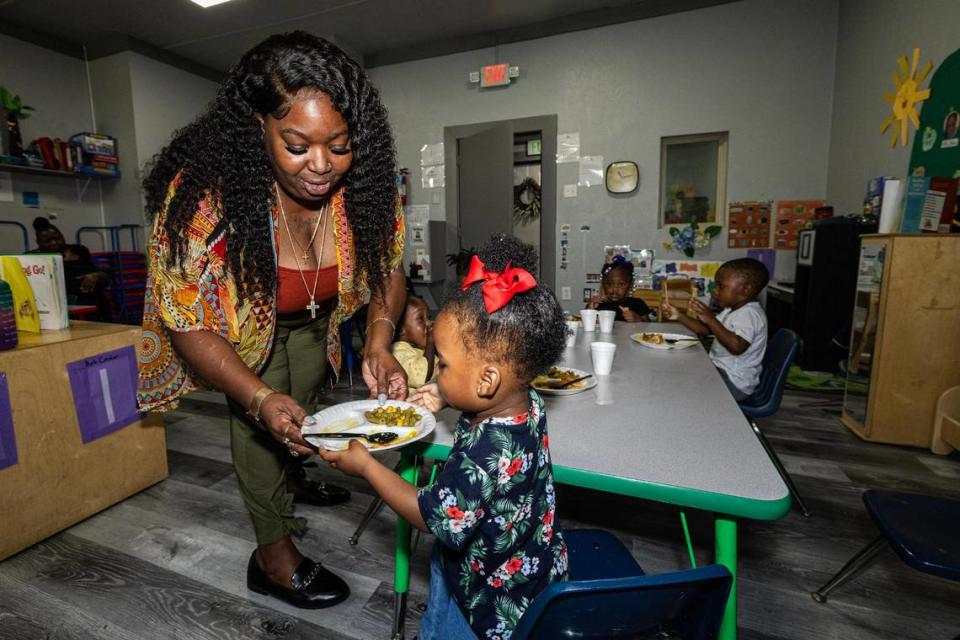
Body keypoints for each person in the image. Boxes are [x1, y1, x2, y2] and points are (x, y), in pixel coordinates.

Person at [136, 32, 410, 609]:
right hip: (233, 334)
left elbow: (388, 268)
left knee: (305, 405)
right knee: (263, 427)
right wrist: (258, 398)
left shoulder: (361, 185)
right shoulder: (204, 202)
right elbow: (186, 320)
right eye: (297, 144)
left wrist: (379, 343)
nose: (322, 167)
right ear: (258, 123)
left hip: (317, 318)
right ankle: (273, 558)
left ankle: (295, 480)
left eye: (339, 145)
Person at [320, 234, 570, 640]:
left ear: (486, 380)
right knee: (440, 575)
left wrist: (367, 466)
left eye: (445, 367)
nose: (437, 373)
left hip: (490, 598)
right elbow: (485, 397)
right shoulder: (527, 400)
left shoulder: (485, 454)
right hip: (532, 558)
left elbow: (430, 517)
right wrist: (445, 392)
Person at [661, 257, 768, 400]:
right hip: (721, 371)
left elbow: (737, 346)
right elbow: (704, 330)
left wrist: (711, 319)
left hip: (734, 381)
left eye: (721, 286)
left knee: (682, 383)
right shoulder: (732, 310)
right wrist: (680, 316)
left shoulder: (749, 314)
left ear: (745, 289)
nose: (715, 291)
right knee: (680, 371)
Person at [30, 217, 112, 320]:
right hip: (66, 306)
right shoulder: (35, 258)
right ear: (38, 242)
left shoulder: (79, 250)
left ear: (62, 236)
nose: (54, 243)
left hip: (96, 300)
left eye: (57, 238)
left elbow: (103, 274)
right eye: (48, 241)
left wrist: (95, 276)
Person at [391, 295, 436, 391]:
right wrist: (431, 343)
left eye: (428, 317)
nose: (428, 323)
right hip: (409, 404)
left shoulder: (420, 348)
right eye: (420, 319)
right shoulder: (398, 351)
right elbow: (421, 378)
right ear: (401, 329)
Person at [586, 257, 651, 321]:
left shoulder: (637, 304)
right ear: (603, 284)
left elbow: (649, 326)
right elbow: (584, 324)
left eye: (621, 285)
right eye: (609, 284)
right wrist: (590, 311)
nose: (615, 290)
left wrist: (638, 319)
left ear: (630, 285)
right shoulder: (598, 305)